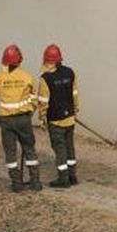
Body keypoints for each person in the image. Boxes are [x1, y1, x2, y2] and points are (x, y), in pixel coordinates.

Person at [0, 44, 41, 192]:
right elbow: (35, 98)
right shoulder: (27, 77)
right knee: (29, 149)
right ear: (19, 60)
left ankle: (16, 183)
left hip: (7, 121)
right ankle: (35, 182)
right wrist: (30, 112)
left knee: (10, 152)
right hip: (24, 119)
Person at [37, 44, 80, 189]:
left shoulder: (45, 79)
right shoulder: (70, 72)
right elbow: (74, 93)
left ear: (48, 61)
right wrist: (75, 109)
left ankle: (63, 179)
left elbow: (43, 102)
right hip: (70, 119)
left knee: (60, 149)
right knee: (70, 147)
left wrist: (42, 119)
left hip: (55, 121)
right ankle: (72, 176)